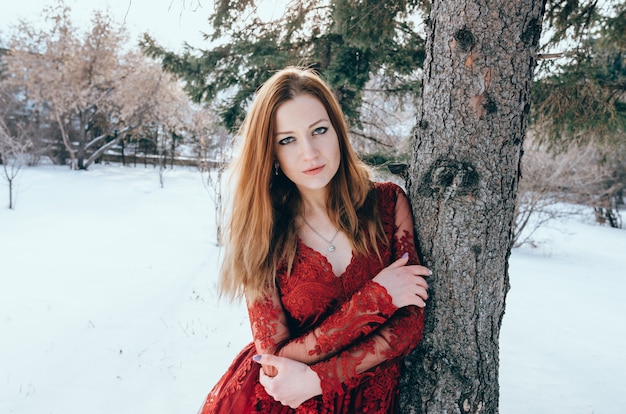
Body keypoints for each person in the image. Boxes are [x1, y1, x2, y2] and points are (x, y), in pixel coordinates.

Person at [198, 67, 430, 414]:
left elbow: (410, 323)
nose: (310, 153)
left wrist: (321, 377)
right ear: (271, 152)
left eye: (319, 130)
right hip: (282, 399)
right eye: (287, 139)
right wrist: (377, 297)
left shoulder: (387, 203)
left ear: (337, 130)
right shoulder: (263, 229)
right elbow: (273, 358)